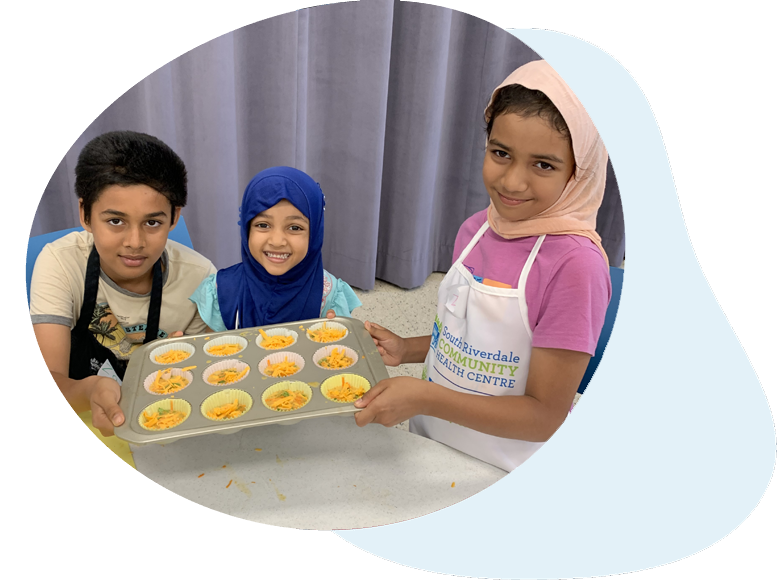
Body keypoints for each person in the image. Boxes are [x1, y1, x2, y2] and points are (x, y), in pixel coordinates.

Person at [354, 60, 612, 472]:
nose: (512, 182)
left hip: (502, 469)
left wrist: (424, 396)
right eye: (501, 153)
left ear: (580, 173)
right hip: (431, 443)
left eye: (543, 164)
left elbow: (544, 417)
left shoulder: (574, 267)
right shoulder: (478, 228)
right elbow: (469, 336)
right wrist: (407, 349)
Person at [31, 131, 217, 438]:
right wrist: (89, 390)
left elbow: (205, 384)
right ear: (85, 215)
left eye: (152, 223)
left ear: (174, 218)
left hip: (165, 423)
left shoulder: (199, 278)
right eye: (115, 221)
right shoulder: (61, 264)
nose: (135, 242)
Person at [189, 166, 362, 331]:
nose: (277, 241)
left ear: (315, 233)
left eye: (295, 228)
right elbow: (213, 353)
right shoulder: (221, 290)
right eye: (263, 225)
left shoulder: (330, 295)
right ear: (247, 229)